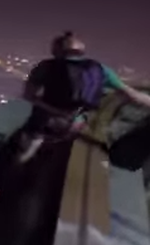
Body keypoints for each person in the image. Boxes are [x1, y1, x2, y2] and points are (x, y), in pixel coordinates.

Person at [17, 31, 150, 162]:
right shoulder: (100, 69)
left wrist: (57, 111)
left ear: (56, 50)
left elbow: (29, 96)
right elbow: (133, 95)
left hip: (48, 124)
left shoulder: (44, 67)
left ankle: (22, 160)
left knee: (26, 143)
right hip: (78, 124)